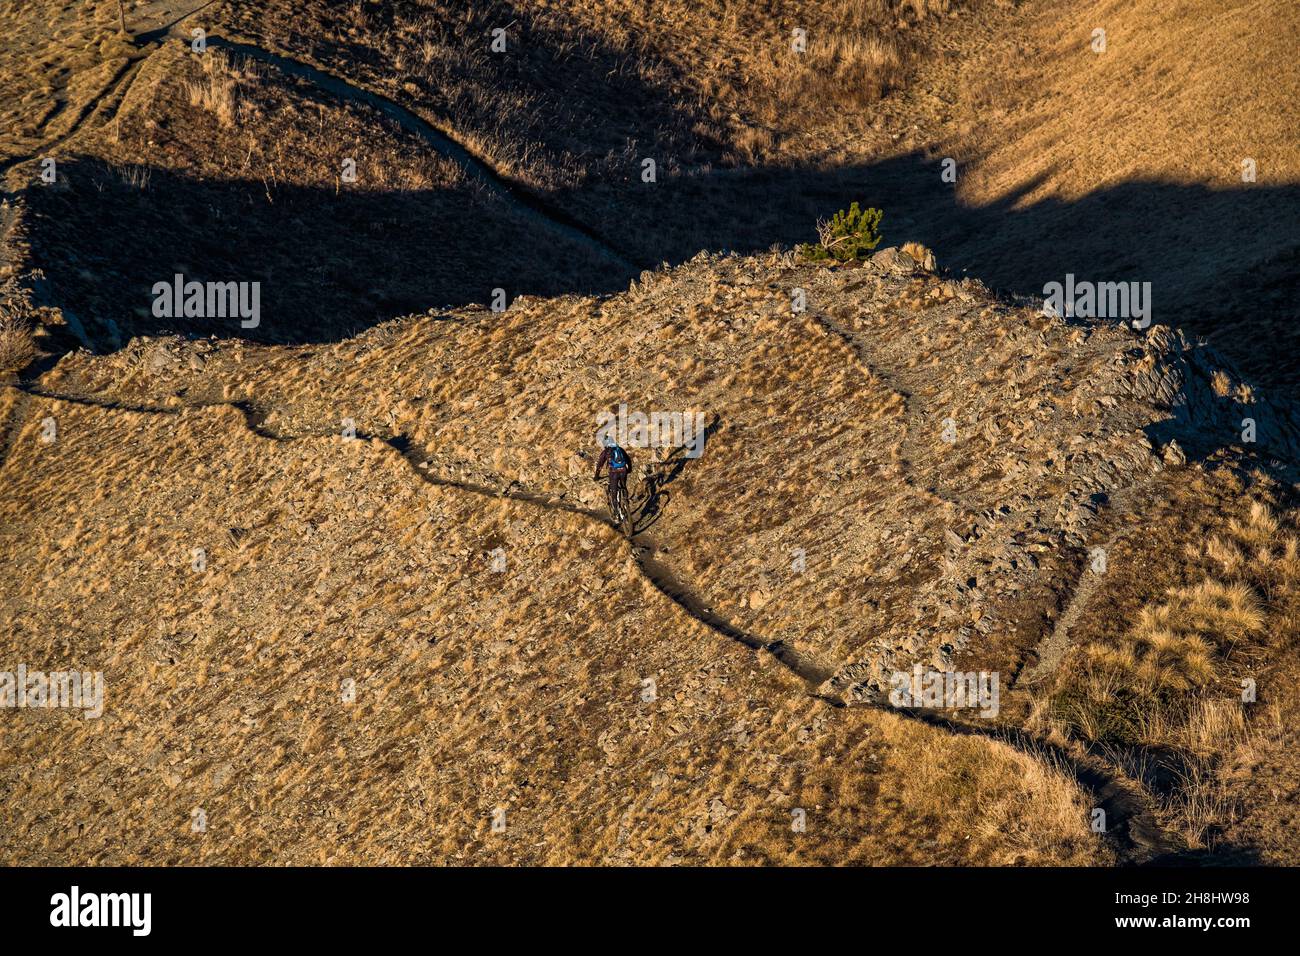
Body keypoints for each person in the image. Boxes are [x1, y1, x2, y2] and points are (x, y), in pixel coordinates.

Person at [594, 434, 631, 513]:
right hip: (623, 470)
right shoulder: (619, 449)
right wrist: (629, 469)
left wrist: (596, 476)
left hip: (614, 473)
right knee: (623, 486)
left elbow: (600, 465)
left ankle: (616, 511)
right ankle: (626, 501)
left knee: (613, 490)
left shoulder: (606, 452)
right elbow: (628, 459)